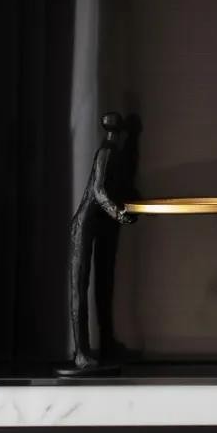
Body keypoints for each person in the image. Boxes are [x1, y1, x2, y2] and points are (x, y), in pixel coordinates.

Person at [66, 112, 136, 374]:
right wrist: (118, 212)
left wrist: (129, 206)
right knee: (79, 289)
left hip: (101, 223)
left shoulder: (116, 154)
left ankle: (106, 343)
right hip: (84, 224)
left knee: (104, 283)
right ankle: (81, 353)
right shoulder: (106, 152)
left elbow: (116, 189)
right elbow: (98, 191)